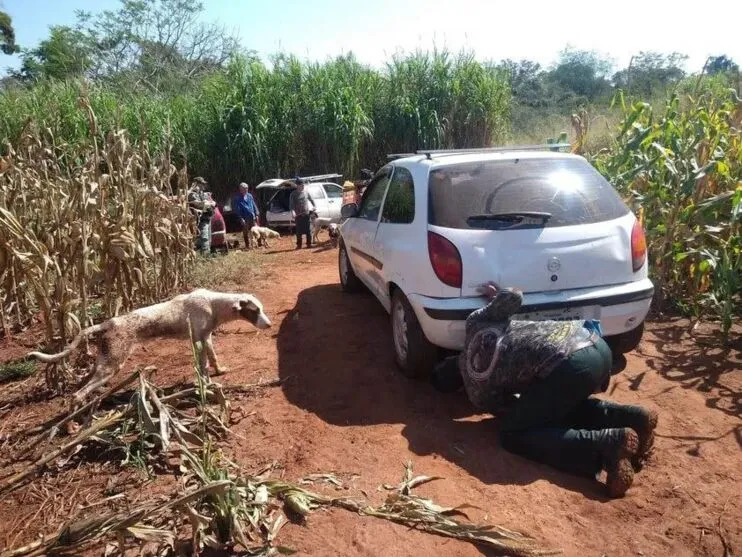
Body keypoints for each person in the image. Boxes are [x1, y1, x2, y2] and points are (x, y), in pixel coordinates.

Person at [433, 282, 658, 498]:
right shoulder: (475, 324)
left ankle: (606, 444)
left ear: (458, 386)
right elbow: (514, 296)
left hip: (571, 367)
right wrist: (495, 295)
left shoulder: (476, 394)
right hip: (595, 344)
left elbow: (515, 411)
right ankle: (634, 417)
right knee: (554, 404)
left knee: (513, 434)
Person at [188, 176, 215, 256]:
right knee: (204, 238)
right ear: (196, 184)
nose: (203, 186)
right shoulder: (192, 194)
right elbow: (198, 204)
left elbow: (212, 202)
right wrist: (207, 203)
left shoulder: (203, 193)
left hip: (207, 218)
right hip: (200, 219)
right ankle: (205, 256)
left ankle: (206, 255)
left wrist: (210, 203)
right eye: (201, 184)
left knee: (208, 238)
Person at [289, 178, 316, 249]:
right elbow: (291, 205)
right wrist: (293, 212)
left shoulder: (306, 192)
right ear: (297, 185)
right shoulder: (293, 194)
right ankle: (299, 245)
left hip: (306, 214)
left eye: (303, 185)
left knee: (308, 229)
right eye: (301, 185)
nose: (303, 186)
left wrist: (314, 206)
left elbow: (311, 199)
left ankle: (309, 244)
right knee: (299, 230)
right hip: (298, 215)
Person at [232, 182, 258, 250]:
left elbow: (254, 205)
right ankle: (247, 245)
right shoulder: (237, 198)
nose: (246, 190)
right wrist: (241, 218)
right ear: (240, 189)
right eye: (244, 188)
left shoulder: (249, 195)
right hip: (245, 217)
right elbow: (237, 210)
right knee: (245, 231)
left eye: (247, 188)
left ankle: (257, 243)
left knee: (255, 230)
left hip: (252, 216)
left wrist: (257, 214)